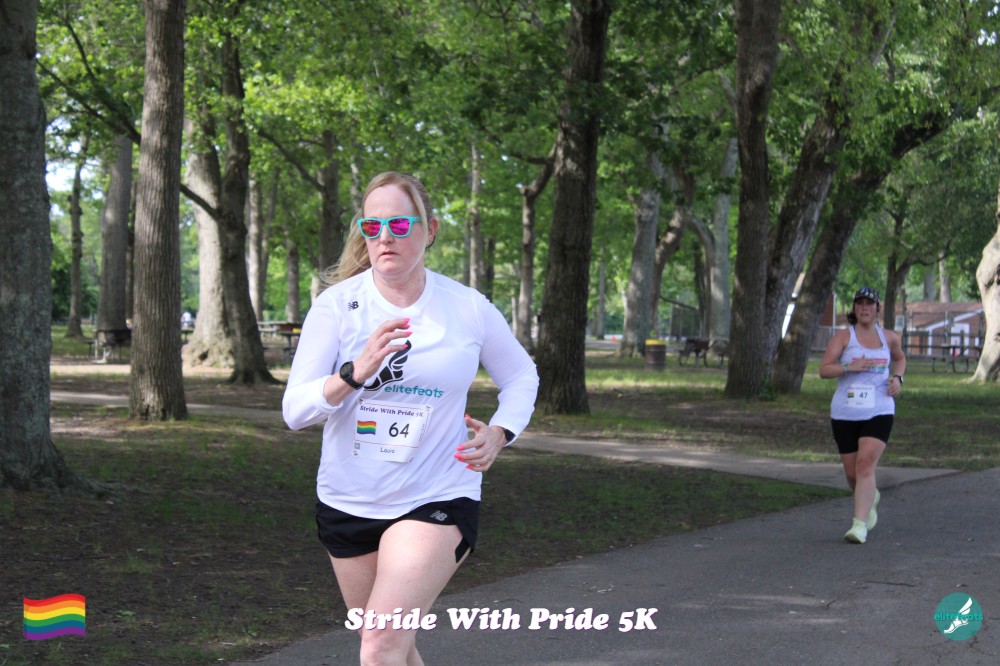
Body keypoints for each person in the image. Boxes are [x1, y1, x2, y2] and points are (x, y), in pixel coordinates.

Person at [282, 171, 539, 665]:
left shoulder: (466, 307)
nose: (385, 237)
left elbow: (521, 376)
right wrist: (354, 373)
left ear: (430, 229)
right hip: (348, 500)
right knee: (394, 648)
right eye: (372, 226)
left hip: (437, 494)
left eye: (399, 225)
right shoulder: (337, 307)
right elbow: (295, 412)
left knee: (380, 643)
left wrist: (501, 432)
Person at [819, 287, 906, 544]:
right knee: (852, 473)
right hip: (845, 412)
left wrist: (898, 378)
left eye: (869, 303)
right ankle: (871, 497)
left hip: (879, 409)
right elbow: (824, 370)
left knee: (865, 464)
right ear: (854, 308)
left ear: (877, 308)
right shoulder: (843, 337)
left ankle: (859, 525)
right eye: (860, 303)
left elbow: (900, 359)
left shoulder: (889, 337)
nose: (864, 308)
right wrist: (849, 367)